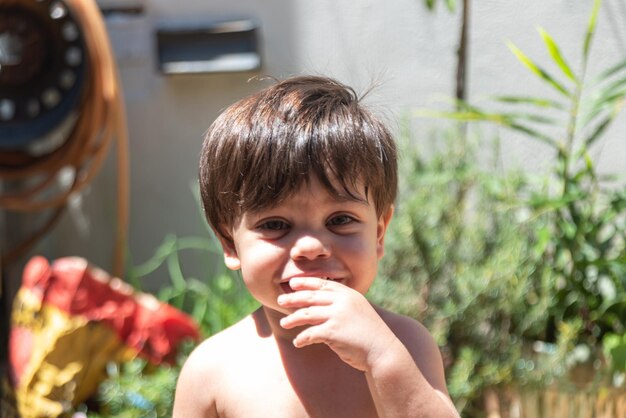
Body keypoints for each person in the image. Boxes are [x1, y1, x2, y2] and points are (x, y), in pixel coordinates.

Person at [172, 75, 459, 418]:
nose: (310, 247)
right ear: (231, 244)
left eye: (340, 220)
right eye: (275, 225)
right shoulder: (213, 369)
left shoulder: (404, 344)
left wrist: (382, 358)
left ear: (379, 234)